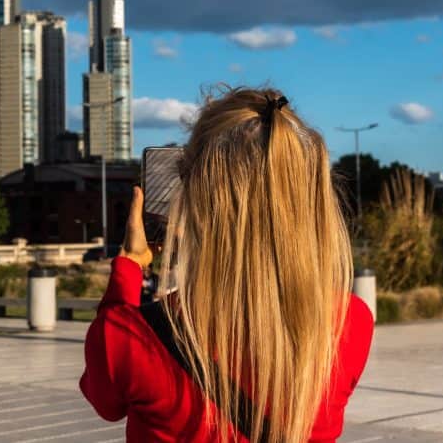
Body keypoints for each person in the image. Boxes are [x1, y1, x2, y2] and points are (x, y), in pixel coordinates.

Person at [80, 87, 374, 442]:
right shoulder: (351, 322)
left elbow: (105, 400)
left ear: (193, 198)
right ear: (312, 198)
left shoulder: (128, 337)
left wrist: (128, 267)